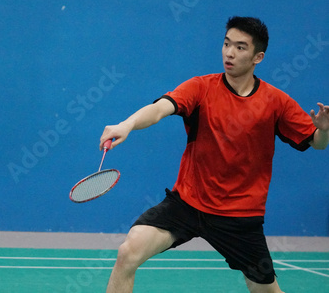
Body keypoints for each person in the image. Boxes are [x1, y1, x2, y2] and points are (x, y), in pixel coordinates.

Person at [99, 16, 329, 293]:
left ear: (259, 57)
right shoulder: (202, 87)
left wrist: (325, 130)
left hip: (239, 214)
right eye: (226, 44)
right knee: (128, 253)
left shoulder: (275, 102)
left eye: (240, 47)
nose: (229, 53)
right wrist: (128, 124)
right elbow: (161, 108)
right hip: (188, 203)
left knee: (266, 290)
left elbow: (316, 142)